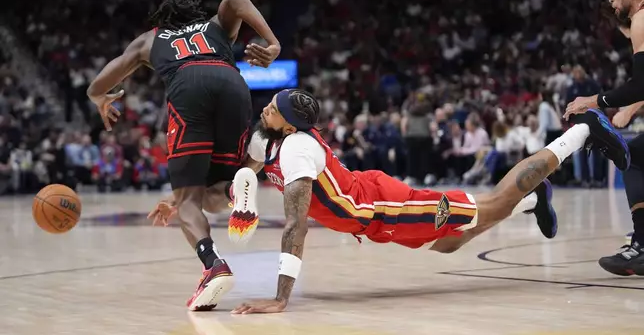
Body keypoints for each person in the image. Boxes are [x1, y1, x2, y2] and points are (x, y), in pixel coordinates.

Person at [222, 89, 628, 314]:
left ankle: (580, 132)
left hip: (387, 208)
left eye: (274, 108)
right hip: (373, 213)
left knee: (492, 203)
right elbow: (249, 168)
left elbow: (295, 226)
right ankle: (531, 200)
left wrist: (280, 298)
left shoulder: (295, 150)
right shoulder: (267, 137)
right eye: (270, 103)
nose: (266, 108)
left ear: (290, 125)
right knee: (450, 241)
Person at [87, 0, 279, 310]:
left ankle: (213, 266)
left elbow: (100, 82)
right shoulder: (216, 26)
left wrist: (98, 97)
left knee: (190, 199)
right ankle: (238, 186)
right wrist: (273, 43)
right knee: (211, 194)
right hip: (232, 84)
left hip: (188, 86)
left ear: (163, 21)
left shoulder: (150, 40)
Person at [564, 0, 644, 276]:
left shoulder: (640, 18)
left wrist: (593, 101)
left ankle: (640, 246)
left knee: (635, 159)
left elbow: (641, 85)